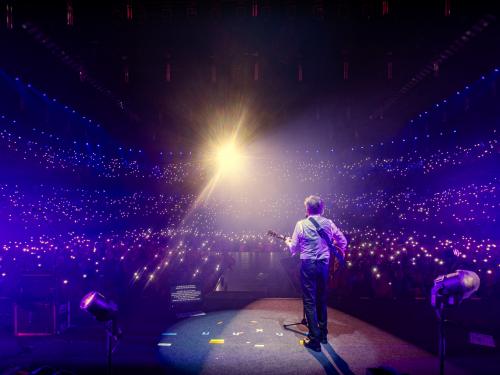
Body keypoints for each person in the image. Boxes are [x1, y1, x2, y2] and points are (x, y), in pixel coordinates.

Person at [286, 195, 347, 352]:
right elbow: (343, 242)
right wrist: (336, 253)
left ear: (307, 209)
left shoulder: (301, 224)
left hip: (308, 264)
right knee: (321, 298)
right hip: (324, 264)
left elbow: (293, 248)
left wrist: (288, 243)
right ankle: (323, 334)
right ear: (322, 209)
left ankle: (314, 339)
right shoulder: (329, 223)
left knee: (309, 301)